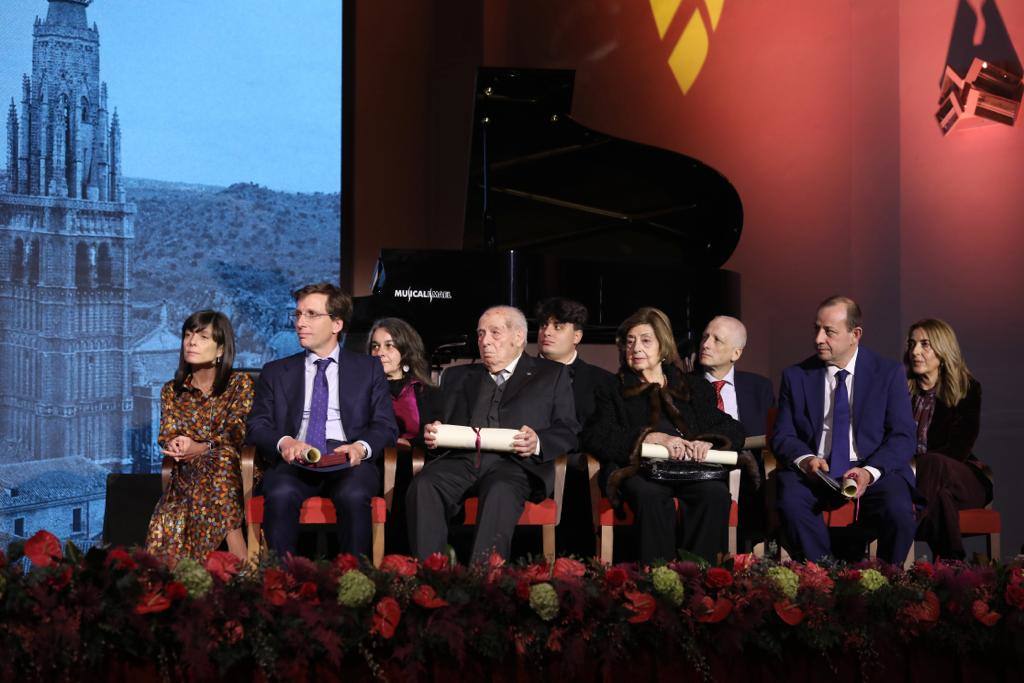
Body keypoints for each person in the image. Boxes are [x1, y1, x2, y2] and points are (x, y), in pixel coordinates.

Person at [407, 305, 579, 562]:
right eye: (480, 334)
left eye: (494, 333)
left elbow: (568, 429)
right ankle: (430, 575)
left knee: (500, 490)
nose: (485, 341)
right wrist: (431, 434)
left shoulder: (551, 375)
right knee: (424, 484)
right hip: (461, 461)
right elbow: (430, 425)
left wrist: (538, 442)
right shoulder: (456, 376)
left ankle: (484, 582)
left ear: (518, 337)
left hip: (514, 465)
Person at [246, 283, 398, 558]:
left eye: (311, 315)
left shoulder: (368, 369)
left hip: (347, 459)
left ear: (337, 323)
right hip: (296, 460)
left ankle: (354, 583)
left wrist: (360, 448)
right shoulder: (276, 371)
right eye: (298, 315)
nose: (300, 323)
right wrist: (284, 442)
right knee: (279, 493)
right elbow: (257, 425)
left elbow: (385, 425)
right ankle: (280, 585)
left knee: (353, 496)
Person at [583, 307, 745, 564]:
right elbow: (596, 435)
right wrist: (646, 438)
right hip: (639, 469)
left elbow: (733, 428)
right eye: (630, 341)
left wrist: (709, 441)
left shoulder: (692, 386)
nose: (636, 348)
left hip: (688, 468)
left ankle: (699, 580)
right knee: (650, 496)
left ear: (663, 346)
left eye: (646, 340)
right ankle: (657, 582)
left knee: (713, 494)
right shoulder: (612, 388)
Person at [772, 296, 917, 564]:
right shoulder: (796, 375)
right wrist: (807, 461)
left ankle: (885, 584)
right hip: (817, 471)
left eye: (829, 331)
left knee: (899, 510)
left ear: (855, 335)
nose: (818, 338)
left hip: (870, 468)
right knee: (790, 501)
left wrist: (869, 472)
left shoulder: (887, 372)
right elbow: (783, 435)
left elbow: (903, 436)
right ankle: (826, 577)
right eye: (816, 329)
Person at [146, 310, 254, 563]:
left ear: (220, 350)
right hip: (188, 471)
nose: (191, 342)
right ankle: (239, 557)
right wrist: (178, 443)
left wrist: (204, 446)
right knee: (210, 469)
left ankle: (233, 549)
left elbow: (237, 430)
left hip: (236, 470)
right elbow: (168, 432)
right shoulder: (172, 390)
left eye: (203, 337)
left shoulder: (240, 384)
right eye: (187, 335)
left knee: (221, 459)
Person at [535, 297, 617, 557]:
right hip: (529, 460)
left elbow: (603, 430)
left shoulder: (602, 381)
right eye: (543, 325)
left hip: (579, 468)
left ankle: (580, 568)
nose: (546, 332)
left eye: (558, 326)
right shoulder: (519, 374)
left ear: (577, 335)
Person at [905, 318, 990, 560]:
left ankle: (901, 530)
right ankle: (952, 572)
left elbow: (959, 446)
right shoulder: (901, 392)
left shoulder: (968, 388)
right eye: (912, 344)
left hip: (962, 479)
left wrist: (917, 467)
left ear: (943, 350)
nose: (915, 351)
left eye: (924, 344)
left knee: (933, 463)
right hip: (922, 485)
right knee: (941, 499)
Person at [697, 315, 775, 551]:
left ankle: (752, 561)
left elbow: (769, 435)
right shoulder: (684, 385)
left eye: (717, 340)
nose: (706, 344)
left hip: (750, 472)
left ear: (736, 354)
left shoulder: (759, 387)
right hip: (703, 467)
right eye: (705, 337)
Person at [367, 317, 438, 553]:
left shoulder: (424, 390)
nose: (380, 352)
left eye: (389, 345)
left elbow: (433, 432)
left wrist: (408, 442)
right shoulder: (360, 390)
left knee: (413, 477)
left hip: (415, 461)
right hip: (374, 460)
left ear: (406, 351)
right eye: (375, 346)